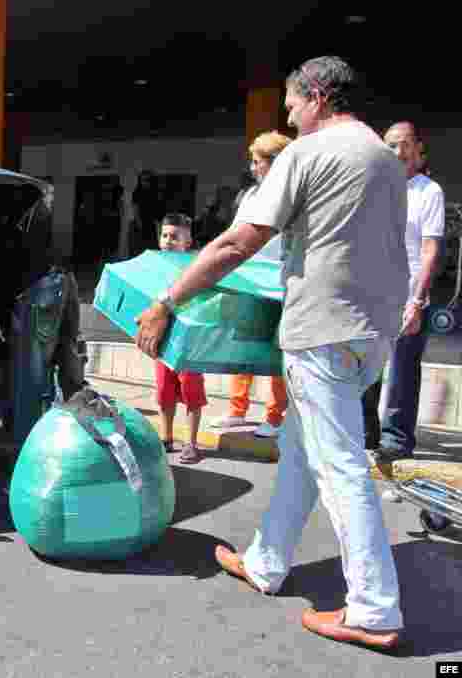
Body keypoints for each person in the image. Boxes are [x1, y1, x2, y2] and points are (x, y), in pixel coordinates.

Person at [135, 56, 409, 650]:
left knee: (337, 465)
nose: (288, 115)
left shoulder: (307, 154)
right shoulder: (386, 160)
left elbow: (239, 241)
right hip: (371, 333)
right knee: (301, 451)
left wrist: (166, 301)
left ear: (316, 95)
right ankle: (266, 561)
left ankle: (374, 608)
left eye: (291, 104)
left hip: (323, 332)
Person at [210, 131, 293, 438]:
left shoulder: (291, 196)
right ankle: (237, 409)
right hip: (248, 281)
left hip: (280, 284)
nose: (254, 168)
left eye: (259, 162)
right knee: (242, 348)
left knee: (275, 352)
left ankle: (275, 416)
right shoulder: (249, 195)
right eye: (254, 162)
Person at [371, 122, 444, 463]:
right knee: (366, 369)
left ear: (417, 149)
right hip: (372, 295)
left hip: (408, 298)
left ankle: (396, 441)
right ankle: (365, 434)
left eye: (404, 145)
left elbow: (430, 250)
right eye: (390, 145)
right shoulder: (376, 190)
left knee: (401, 373)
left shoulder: (428, 192)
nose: (397, 152)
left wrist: (417, 301)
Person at [153, 212, 208, 464]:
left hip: (189, 339)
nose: (167, 241)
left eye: (174, 237)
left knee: (191, 390)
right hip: (162, 338)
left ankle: (191, 443)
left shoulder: (197, 267)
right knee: (164, 390)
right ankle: (166, 437)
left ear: (188, 241)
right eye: (164, 235)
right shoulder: (155, 266)